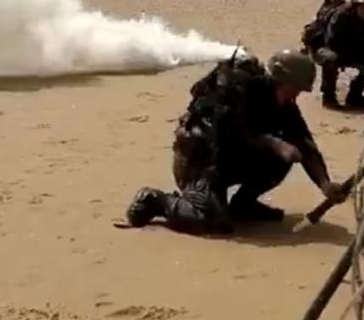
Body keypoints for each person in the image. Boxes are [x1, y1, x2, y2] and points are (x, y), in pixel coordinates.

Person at [124, 49, 348, 234]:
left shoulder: (284, 106)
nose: (296, 96)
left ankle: (243, 205)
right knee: (209, 222)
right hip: (201, 161)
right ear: (280, 81)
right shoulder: (236, 93)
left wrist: (324, 183)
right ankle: (156, 200)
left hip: (233, 158)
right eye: (295, 89)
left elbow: (304, 143)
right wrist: (273, 142)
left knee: (286, 154)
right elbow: (228, 134)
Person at [309, 0, 364, 110]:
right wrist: (357, 52)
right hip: (325, 47)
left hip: (351, 50)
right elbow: (333, 42)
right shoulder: (341, 16)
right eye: (363, 6)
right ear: (356, 6)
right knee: (330, 59)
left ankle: (355, 95)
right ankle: (328, 95)